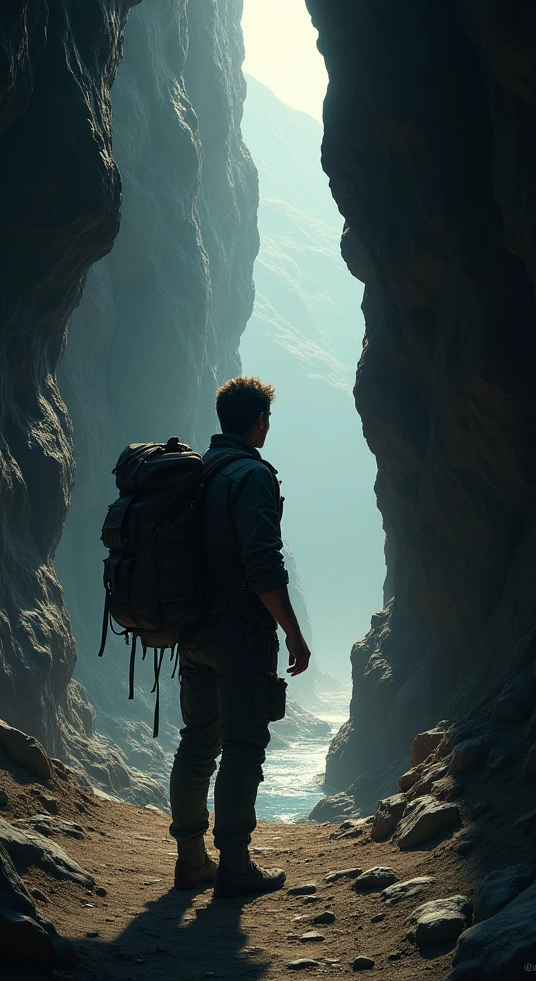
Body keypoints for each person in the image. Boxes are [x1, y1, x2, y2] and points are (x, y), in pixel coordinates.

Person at [169, 375, 311, 898]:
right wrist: (292, 633)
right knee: (243, 745)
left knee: (197, 743)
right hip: (240, 633)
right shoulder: (251, 474)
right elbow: (262, 563)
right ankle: (234, 865)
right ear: (259, 421)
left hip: (192, 630)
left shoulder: (197, 472)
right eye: (267, 419)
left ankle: (190, 861)